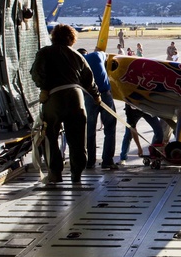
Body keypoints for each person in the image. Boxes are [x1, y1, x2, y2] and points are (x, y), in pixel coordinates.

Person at [31, 24, 99, 185]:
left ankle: (55, 174)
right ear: (71, 38)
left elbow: (37, 73)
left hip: (53, 97)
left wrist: (44, 88)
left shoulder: (45, 52)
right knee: (77, 139)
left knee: (51, 137)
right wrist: (96, 96)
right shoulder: (77, 55)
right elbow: (89, 79)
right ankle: (77, 174)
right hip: (76, 97)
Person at [79, 48, 118, 170]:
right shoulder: (96, 55)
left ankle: (90, 161)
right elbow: (106, 55)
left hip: (88, 96)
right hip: (104, 94)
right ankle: (107, 161)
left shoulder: (77, 64)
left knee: (90, 130)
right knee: (110, 128)